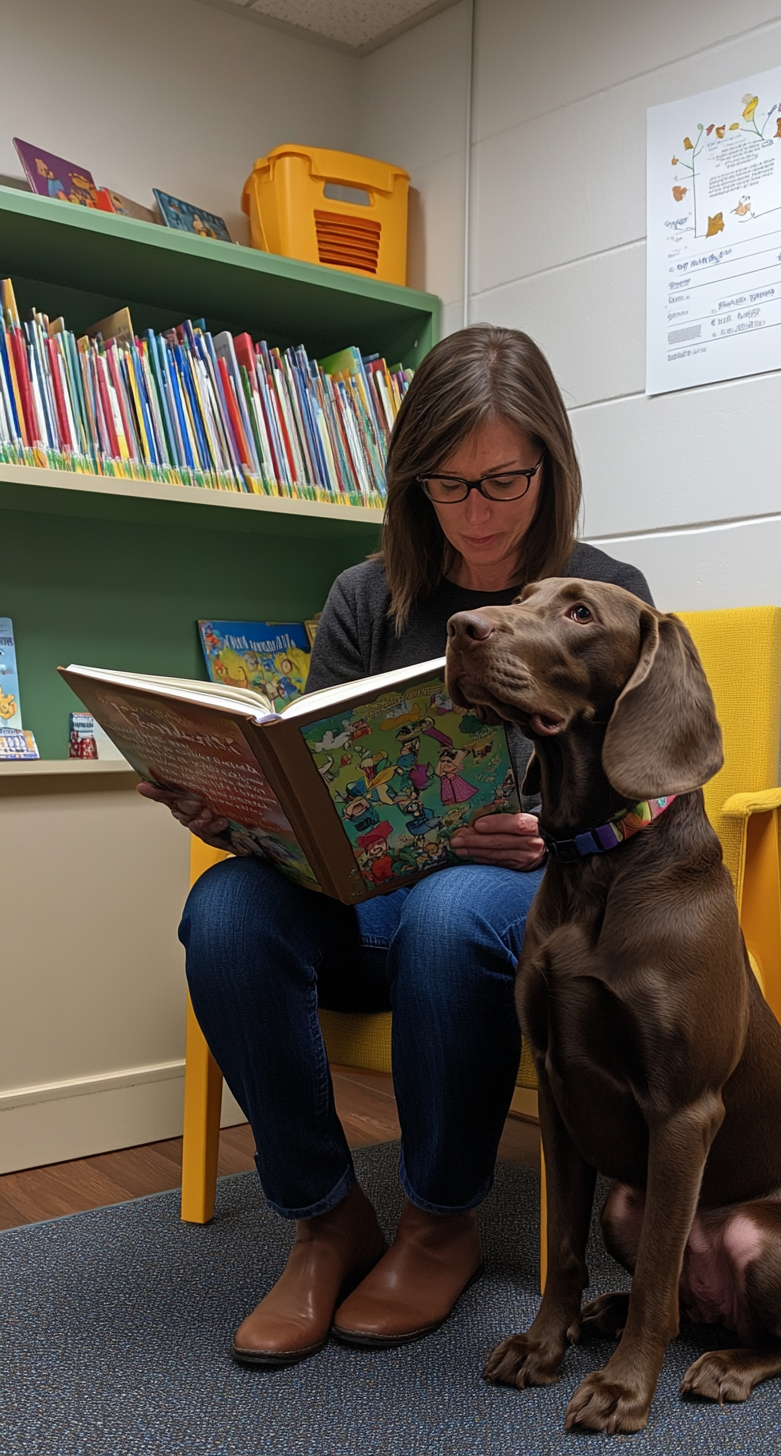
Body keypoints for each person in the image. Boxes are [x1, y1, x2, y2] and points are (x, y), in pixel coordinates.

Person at [139, 325, 653, 1367]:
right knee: (227, 909)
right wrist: (237, 811)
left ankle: (438, 1220)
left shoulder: (595, 596)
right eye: (444, 484)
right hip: (364, 898)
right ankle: (328, 1217)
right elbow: (321, 777)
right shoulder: (365, 597)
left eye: (503, 481)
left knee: (454, 908)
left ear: (550, 465)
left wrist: (536, 828)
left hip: (497, 909)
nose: (475, 513)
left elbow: (640, 784)